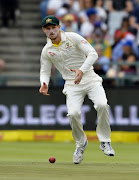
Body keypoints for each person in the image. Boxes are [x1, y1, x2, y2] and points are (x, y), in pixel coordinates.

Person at [39, 15, 115, 164]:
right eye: (48, 29)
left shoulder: (72, 37)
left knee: (102, 104)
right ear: (44, 30)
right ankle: (81, 144)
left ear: (59, 27)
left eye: (53, 27)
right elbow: (45, 70)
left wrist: (81, 70)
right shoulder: (47, 50)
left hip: (90, 78)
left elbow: (93, 53)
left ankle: (105, 141)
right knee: (73, 114)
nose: (51, 31)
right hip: (71, 83)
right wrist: (44, 82)